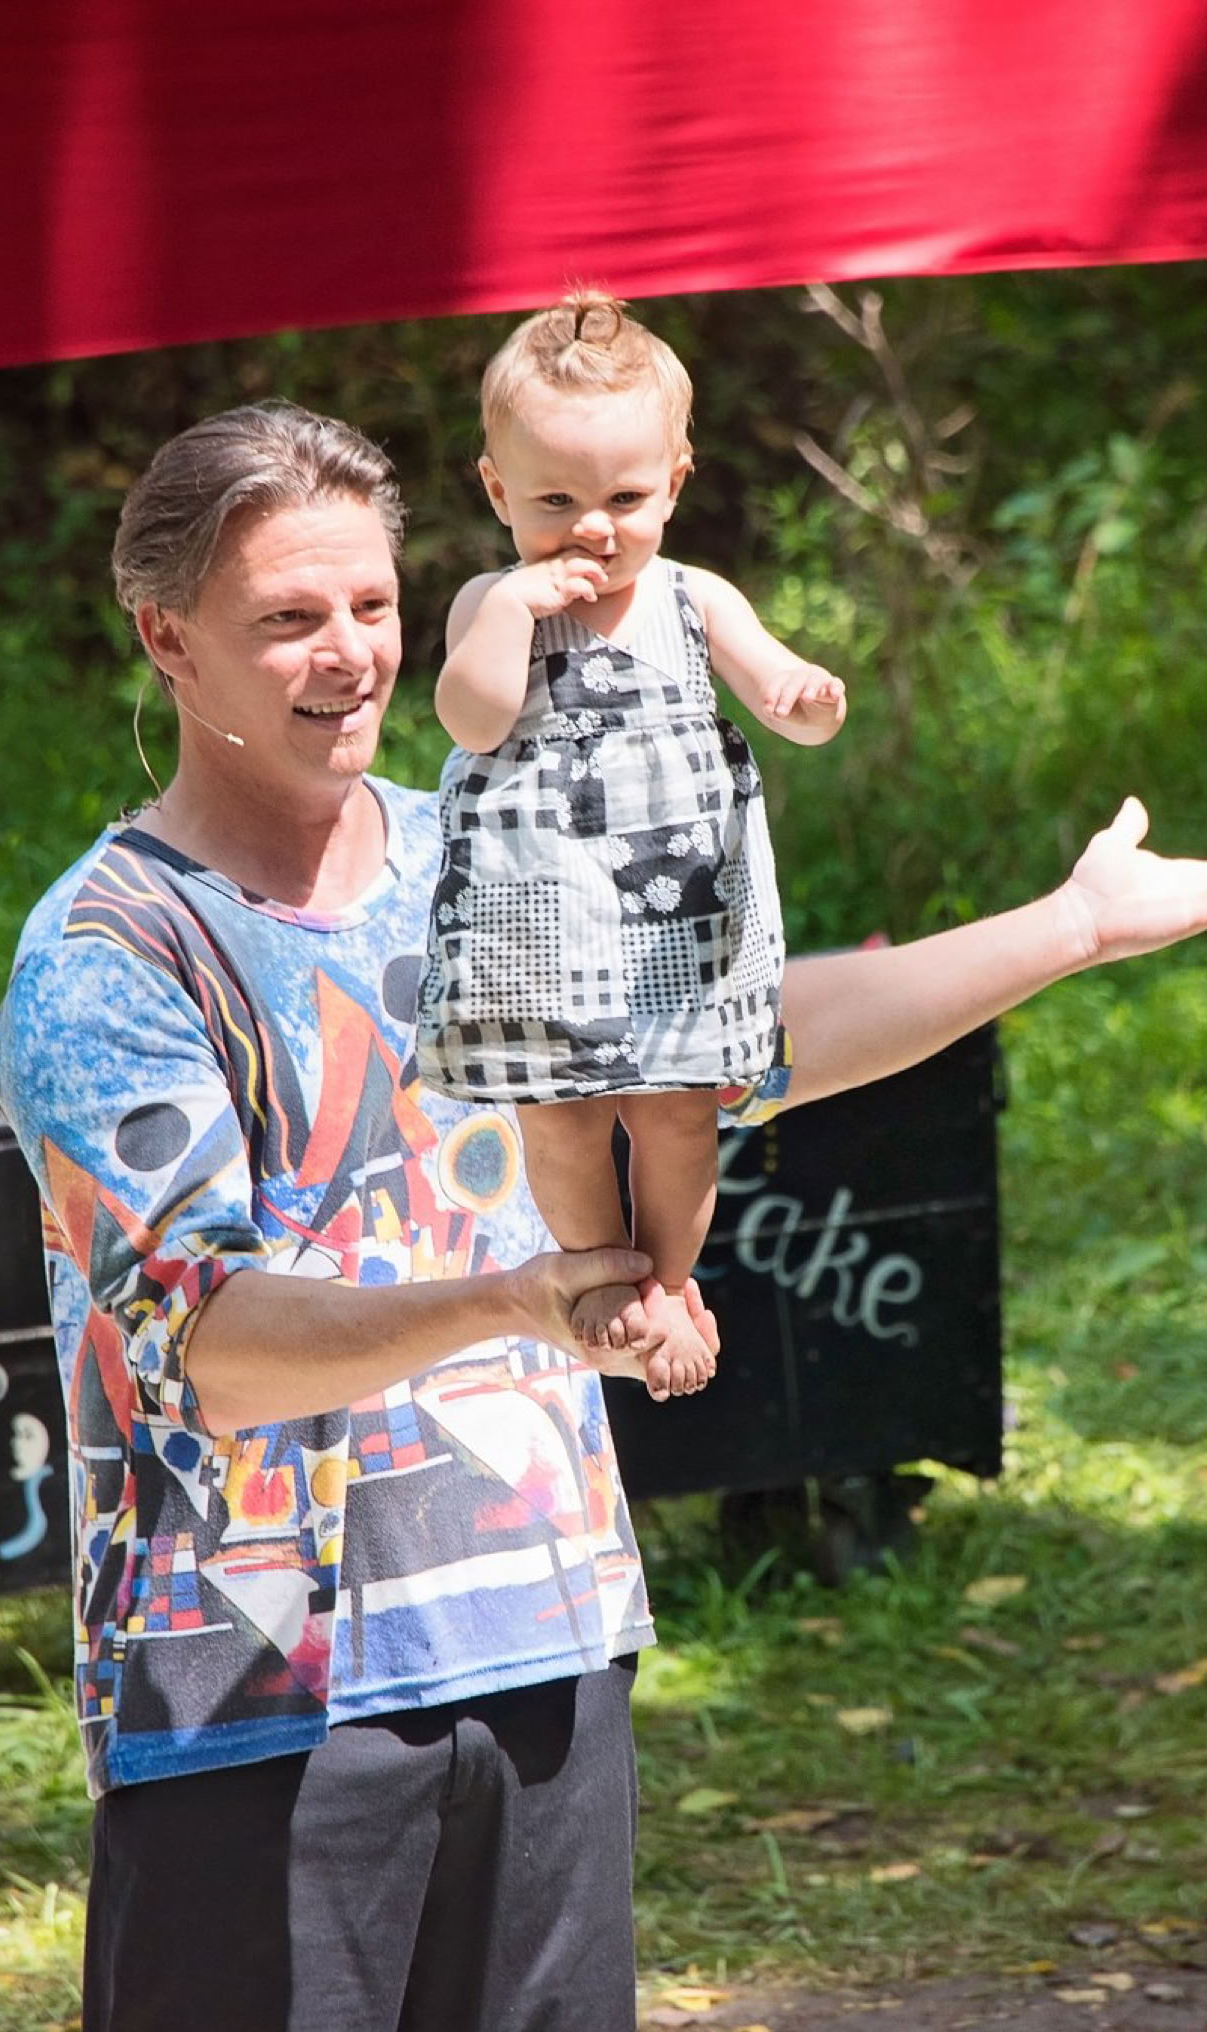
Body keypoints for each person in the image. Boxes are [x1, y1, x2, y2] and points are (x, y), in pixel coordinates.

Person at [0, 399, 1207, 2032]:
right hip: (249, 1703)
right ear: (168, 640)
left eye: (370, 607)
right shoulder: (109, 952)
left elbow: (737, 1044)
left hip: (545, 1642)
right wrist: (510, 1301)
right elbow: (207, 1350)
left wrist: (1067, 926)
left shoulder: (484, 838)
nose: (345, 655)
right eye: (286, 618)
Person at [416, 293, 847, 1402]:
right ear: (498, 489)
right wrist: (514, 608)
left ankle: (664, 1281)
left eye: (625, 497)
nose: (591, 527)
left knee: (678, 1115)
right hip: (537, 920)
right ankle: (599, 1274)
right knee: (556, 1121)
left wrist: (801, 697)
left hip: (677, 920)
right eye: (554, 500)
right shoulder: (488, 600)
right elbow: (470, 718)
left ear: (677, 479)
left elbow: (771, 685)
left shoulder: (694, 599)